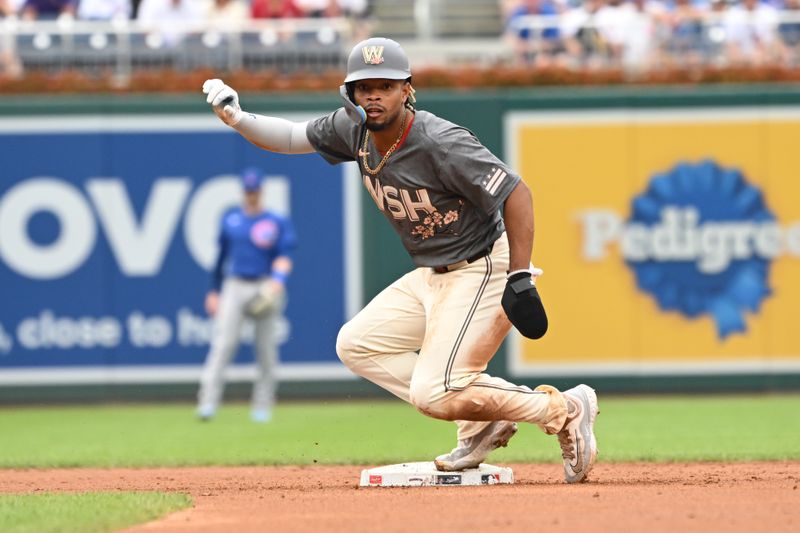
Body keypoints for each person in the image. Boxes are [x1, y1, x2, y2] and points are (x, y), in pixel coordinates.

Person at [202, 37, 599, 482]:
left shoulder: (438, 141)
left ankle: (563, 408)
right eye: (364, 85)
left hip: (482, 265)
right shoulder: (352, 129)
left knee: (435, 393)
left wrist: (520, 274)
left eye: (386, 85)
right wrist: (238, 118)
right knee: (356, 344)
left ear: (407, 90)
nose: (374, 95)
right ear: (350, 93)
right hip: (433, 274)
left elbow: (516, 192)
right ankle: (482, 419)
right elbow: (293, 138)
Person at [197, 168, 297, 423]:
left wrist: (278, 281)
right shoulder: (231, 220)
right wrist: (213, 290)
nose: (251, 195)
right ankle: (207, 402)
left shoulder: (275, 221)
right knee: (223, 345)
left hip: (264, 284)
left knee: (265, 350)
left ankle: (262, 407)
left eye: (255, 190)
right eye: (248, 190)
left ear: (261, 191)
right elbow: (219, 260)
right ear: (243, 192)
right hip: (235, 285)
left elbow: (285, 257)